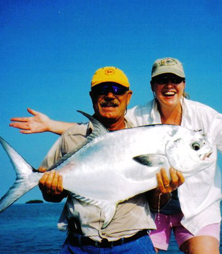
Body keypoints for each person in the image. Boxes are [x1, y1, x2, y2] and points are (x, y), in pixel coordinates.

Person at [10, 58, 222, 254]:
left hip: (197, 209)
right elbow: (102, 135)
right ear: (152, 86)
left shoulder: (205, 116)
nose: (169, 84)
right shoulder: (136, 116)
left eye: (175, 79)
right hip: (153, 211)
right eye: (162, 80)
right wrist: (51, 126)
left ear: (184, 84)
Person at [26, 66, 164, 254]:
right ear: (92, 96)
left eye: (117, 90)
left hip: (133, 245)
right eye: (102, 90)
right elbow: (50, 195)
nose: (109, 95)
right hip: (79, 246)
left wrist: (165, 189)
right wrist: (50, 189)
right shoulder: (70, 137)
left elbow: (158, 201)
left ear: (128, 96)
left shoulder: (146, 140)